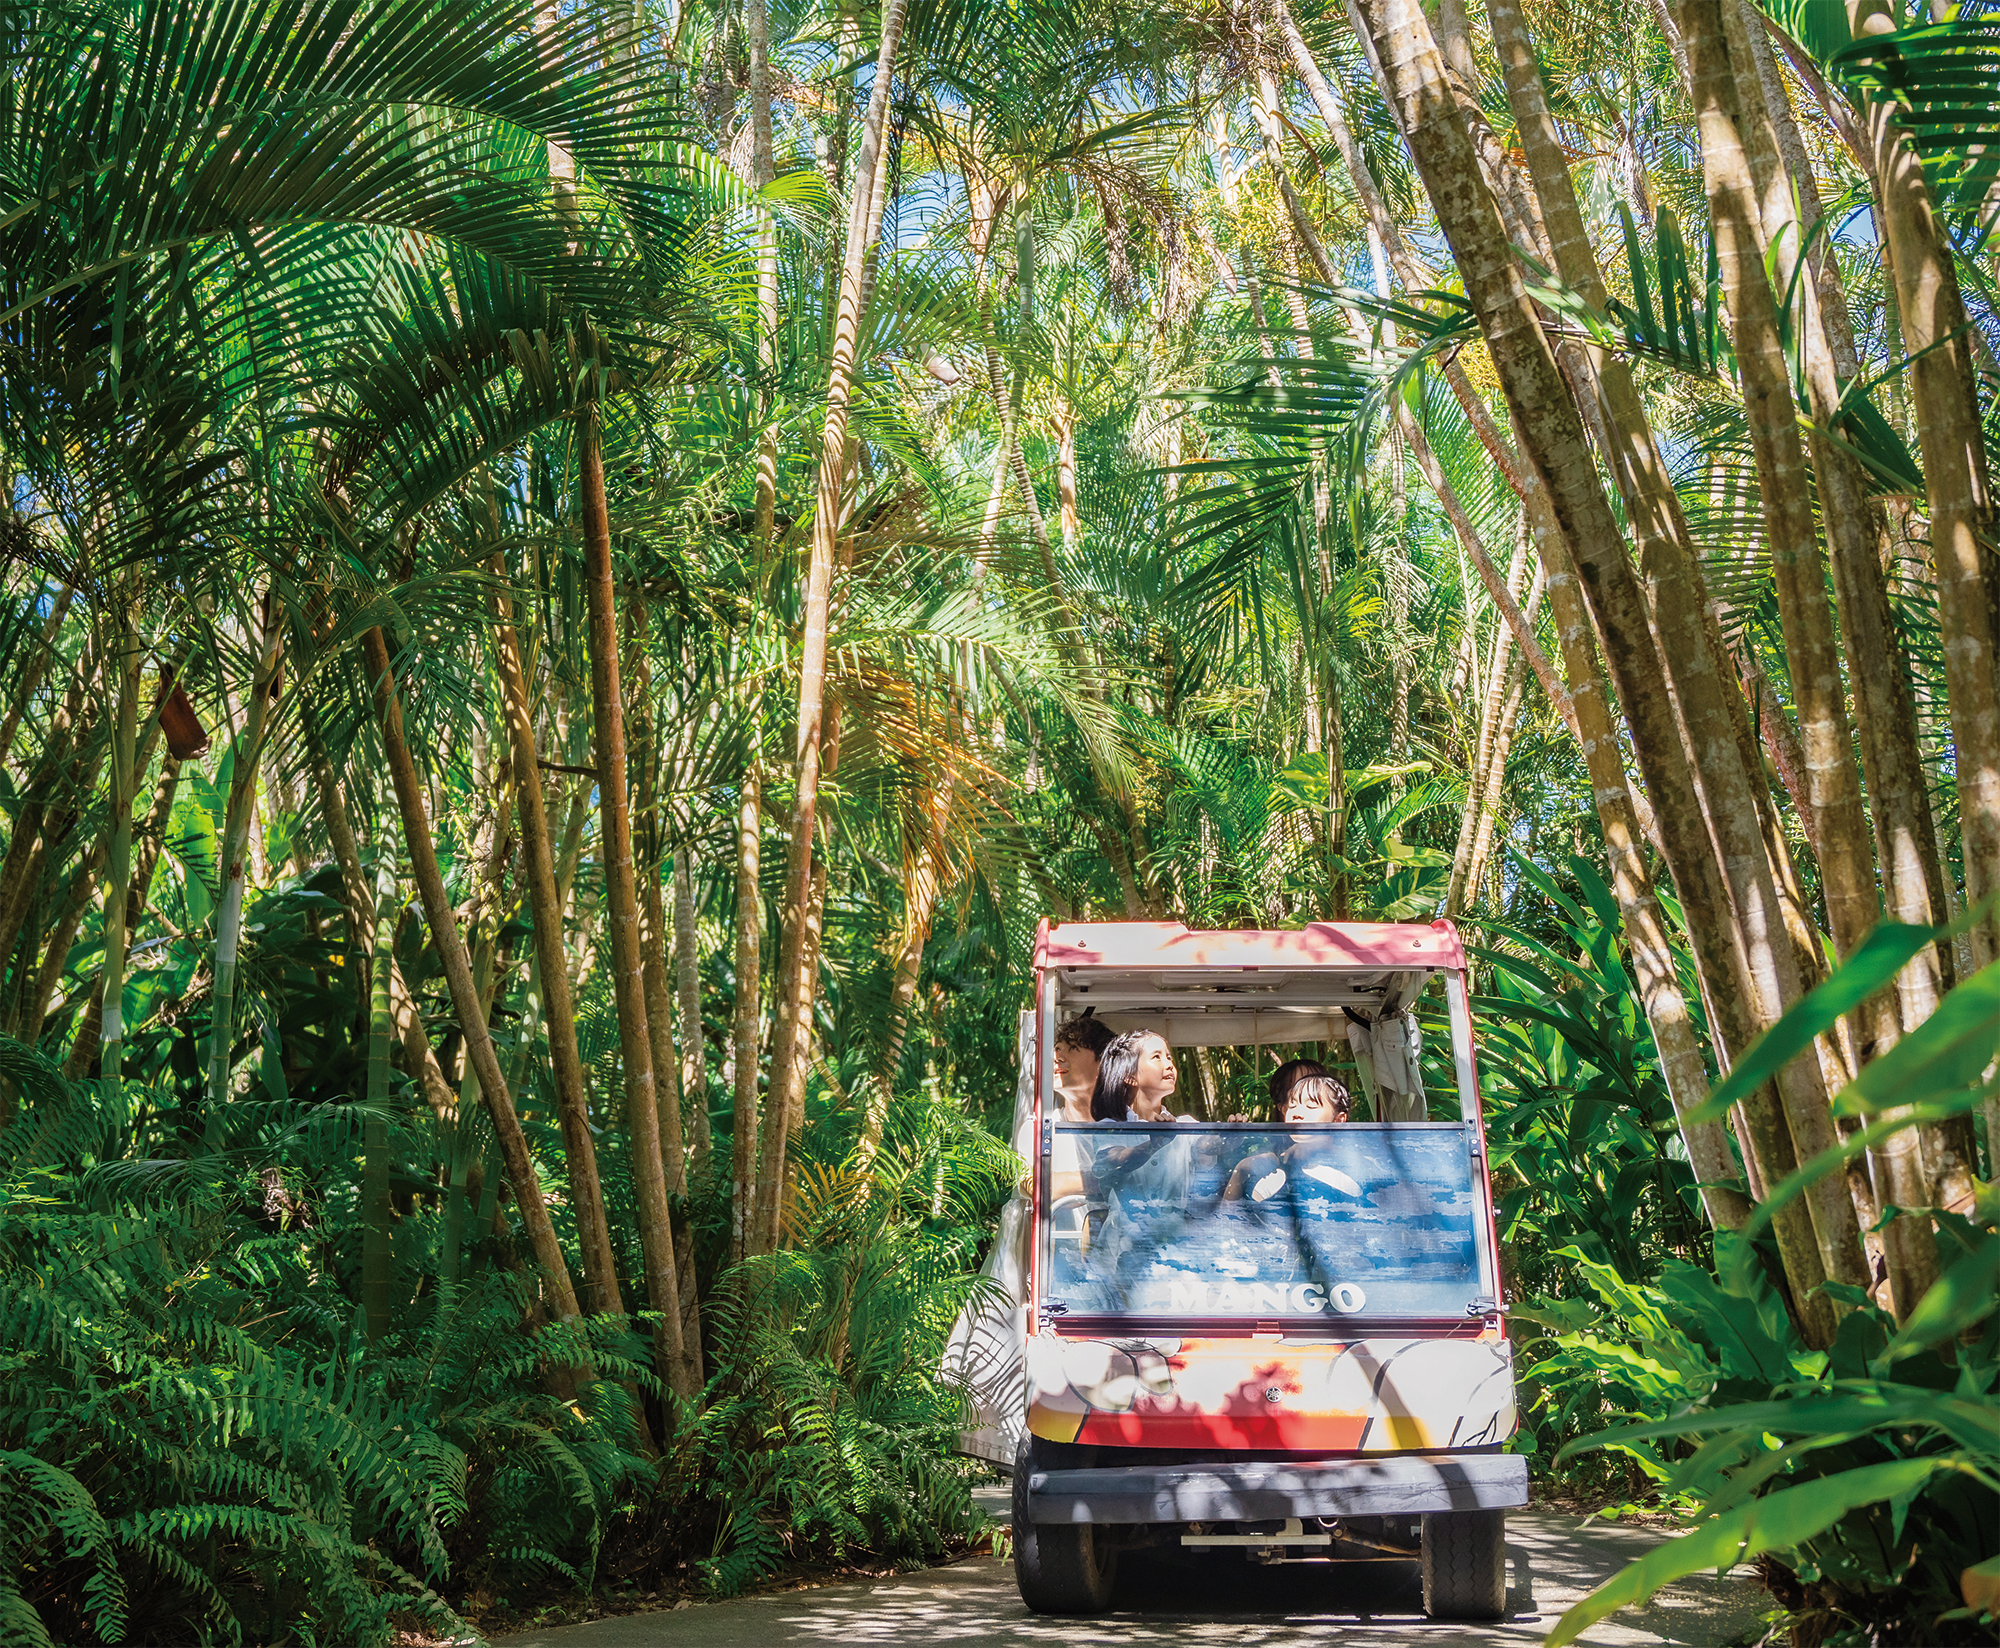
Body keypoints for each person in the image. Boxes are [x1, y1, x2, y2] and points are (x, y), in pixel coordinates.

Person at [1049, 1013, 1115, 1201]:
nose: (1057, 1057)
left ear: (1102, 1062)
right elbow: (1041, 1187)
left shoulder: (1129, 1127)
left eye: (1073, 1048)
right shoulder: (1040, 1129)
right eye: (1057, 1049)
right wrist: (1114, 1176)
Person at [1091, 1030, 1181, 1121]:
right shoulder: (1111, 1130)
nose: (1169, 1065)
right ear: (1129, 1075)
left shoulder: (1187, 1127)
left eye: (1169, 1058)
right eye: (1156, 1057)